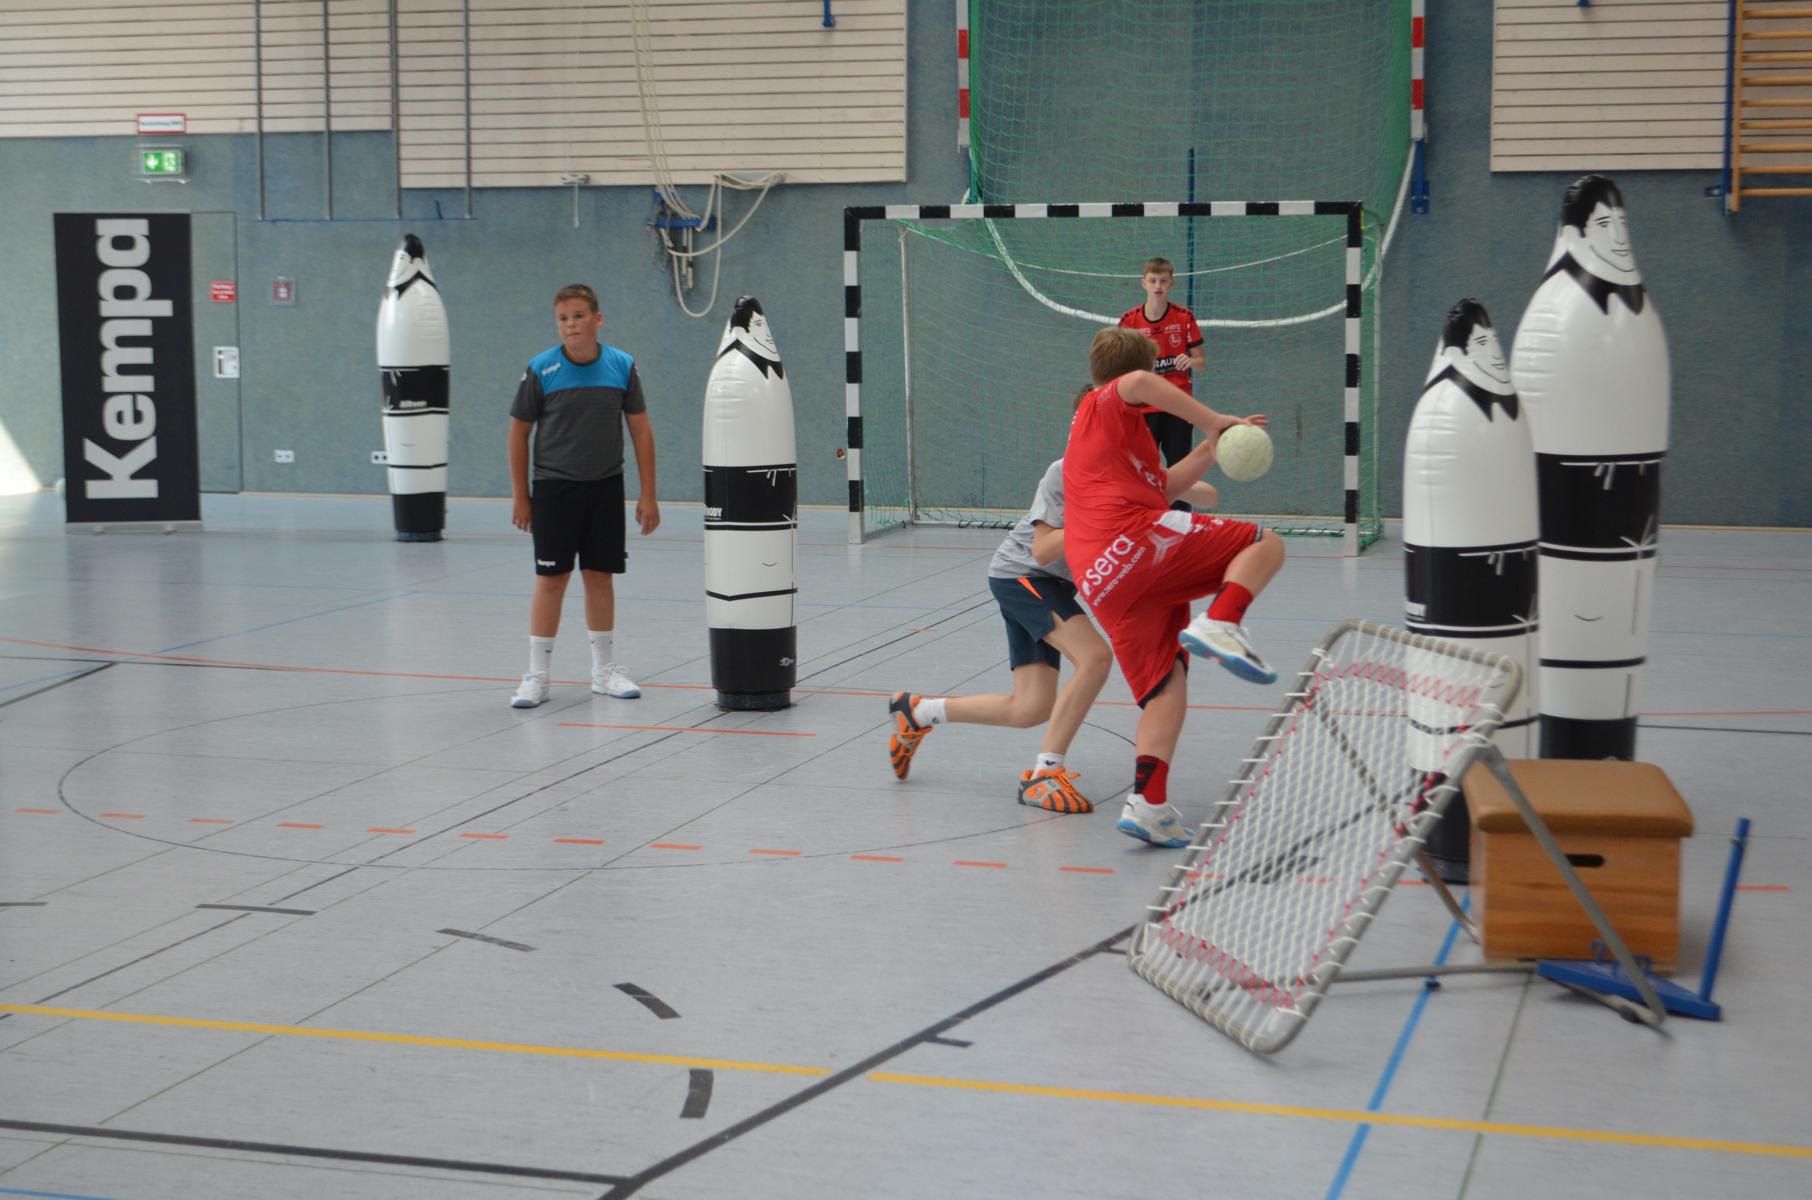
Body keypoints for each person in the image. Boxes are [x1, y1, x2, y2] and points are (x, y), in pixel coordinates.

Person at [887, 391, 1224, 814]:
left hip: (1055, 586)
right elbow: (1044, 550)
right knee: (1095, 658)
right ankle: (1045, 773)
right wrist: (1103, 524)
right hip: (1023, 576)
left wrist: (1180, 472)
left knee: (1030, 708)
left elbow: (1207, 495)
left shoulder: (1134, 473)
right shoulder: (1064, 472)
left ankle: (918, 712)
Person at [1064, 327, 1285, 848]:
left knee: (1166, 685)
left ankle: (1148, 804)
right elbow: (1139, 382)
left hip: (1102, 579)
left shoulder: (1121, 438)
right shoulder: (1103, 401)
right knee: (1264, 544)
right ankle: (1223, 621)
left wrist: (1210, 447)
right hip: (1130, 540)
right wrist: (1213, 419)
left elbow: (1161, 488)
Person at [506, 284, 660, 708]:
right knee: (552, 578)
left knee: (599, 576)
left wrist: (648, 494)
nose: (570, 325)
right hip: (554, 489)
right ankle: (537, 675)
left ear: (597, 319)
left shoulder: (622, 366)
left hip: (605, 487)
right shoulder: (542, 369)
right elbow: (518, 434)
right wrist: (521, 495)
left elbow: (641, 431)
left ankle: (604, 671)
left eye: (578, 315)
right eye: (563, 318)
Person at [1118, 256, 1206, 476]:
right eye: (1153, 280)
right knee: (1142, 471)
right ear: (1144, 283)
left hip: (1177, 405)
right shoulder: (1129, 321)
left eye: (1163, 281)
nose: (1158, 286)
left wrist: (1191, 361)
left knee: (1181, 469)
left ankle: (1179, 502)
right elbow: (1119, 367)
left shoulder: (1184, 317)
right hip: (1143, 406)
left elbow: (1201, 363)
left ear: (1171, 283)